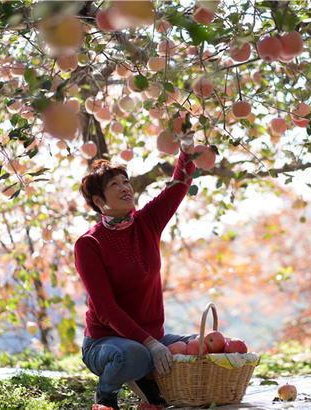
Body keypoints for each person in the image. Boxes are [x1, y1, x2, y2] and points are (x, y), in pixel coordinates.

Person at [75, 139, 198, 410]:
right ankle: (105, 397)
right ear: (98, 201)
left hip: (151, 337)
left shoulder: (147, 221)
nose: (125, 187)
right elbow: (105, 309)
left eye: (125, 181)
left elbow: (179, 186)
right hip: (105, 342)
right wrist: (150, 345)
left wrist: (187, 151)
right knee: (135, 355)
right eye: (114, 184)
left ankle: (147, 381)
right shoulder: (88, 244)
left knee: (203, 345)